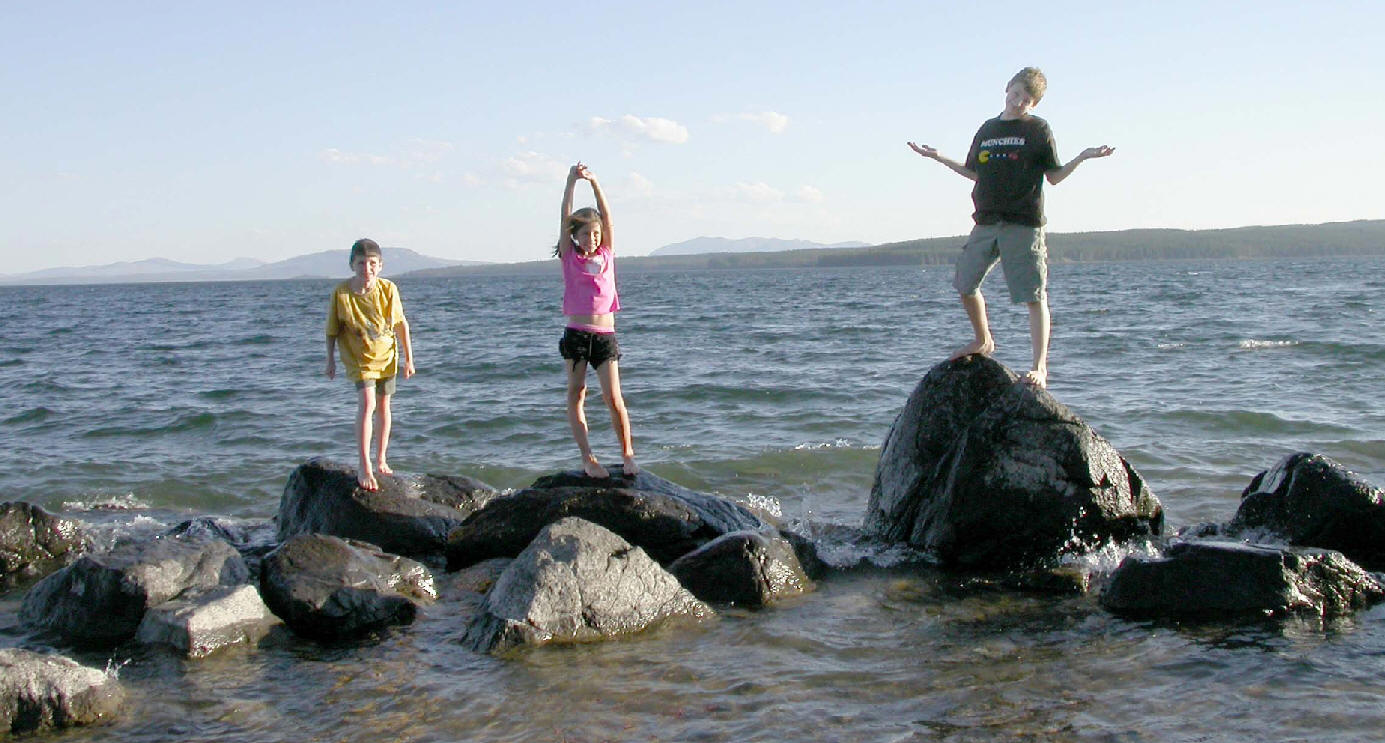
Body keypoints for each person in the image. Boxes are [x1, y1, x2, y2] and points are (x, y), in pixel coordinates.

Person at [908, 67, 1114, 388]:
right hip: (987, 221)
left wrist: (1083, 157)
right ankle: (983, 340)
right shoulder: (988, 129)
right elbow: (974, 173)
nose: (1018, 102)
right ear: (1007, 88)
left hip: (1023, 223)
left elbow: (1054, 177)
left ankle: (1039, 368)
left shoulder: (1038, 129)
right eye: (1016, 94)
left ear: (1034, 104)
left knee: (1033, 296)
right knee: (964, 283)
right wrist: (938, 158)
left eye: (1026, 99)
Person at [555, 162, 638, 478]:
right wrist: (570, 183)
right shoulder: (570, 257)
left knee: (613, 397)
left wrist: (595, 183)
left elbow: (607, 216)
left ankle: (627, 455)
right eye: (585, 233)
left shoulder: (607, 254)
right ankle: (588, 458)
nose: (591, 238)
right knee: (576, 393)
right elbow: (564, 217)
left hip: (604, 336)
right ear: (575, 236)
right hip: (577, 334)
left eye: (595, 233)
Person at [325, 238, 416, 491]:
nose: (367, 269)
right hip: (359, 359)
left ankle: (381, 459)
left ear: (380, 265)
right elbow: (332, 329)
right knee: (367, 404)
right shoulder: (341, 293)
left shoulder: (388, 289)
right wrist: (330, 359)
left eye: (372, 263)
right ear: (352, 265)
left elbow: (401, 324)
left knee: (384, 405)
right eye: (361, 263)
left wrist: (409, 359)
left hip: (386, 356)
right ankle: (364, 465)